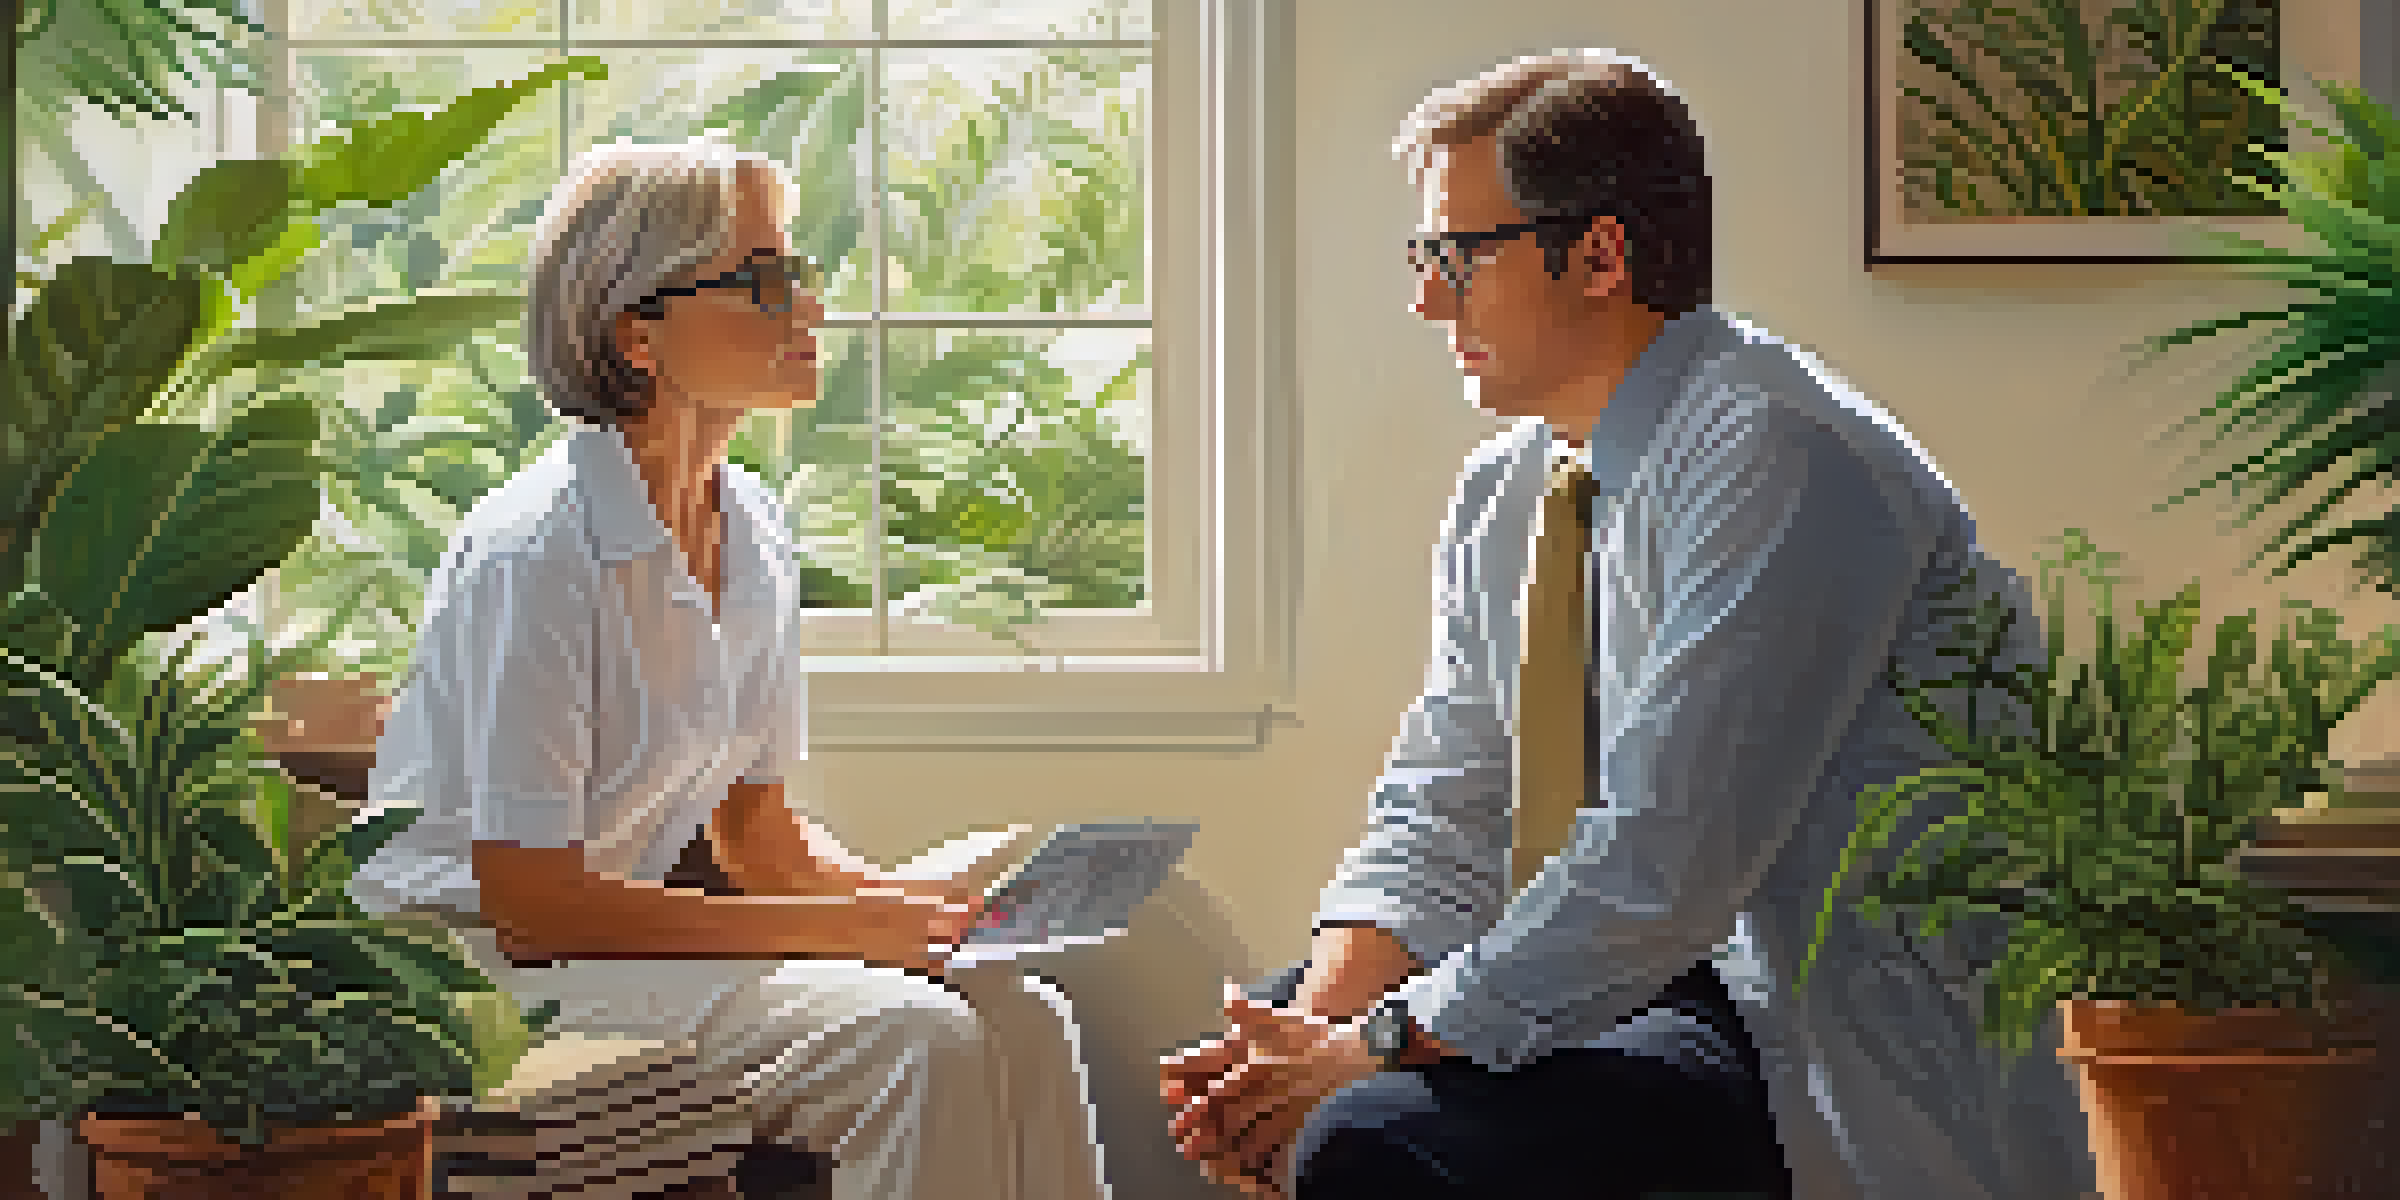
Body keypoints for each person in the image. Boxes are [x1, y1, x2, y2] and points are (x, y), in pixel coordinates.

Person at [1157, 51, 2097, 1200]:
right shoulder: (1508, 493)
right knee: (1280, 1059)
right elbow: (1446, 802)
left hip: (1768, 1007)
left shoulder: (1779, 457)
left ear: (1600, 254)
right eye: (1424, 256)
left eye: (1459, 255)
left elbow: (1663, 869)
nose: (1426, 299)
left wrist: (1364, 1057)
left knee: (1374, 1136)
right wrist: (1304, 1039)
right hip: (1621, 971)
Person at [347, 136, 1112, 1200]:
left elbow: (753, 836)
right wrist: (853, 932)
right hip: (471, 970)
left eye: (795, 272)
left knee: (1025, 1017)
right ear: (636, 332)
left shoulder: (748, 527)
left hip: (586, 950)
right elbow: (534, 907)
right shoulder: (540, 548)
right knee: (917, 1042)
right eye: (762, 279)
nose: (807, 309)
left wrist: (913, 910)